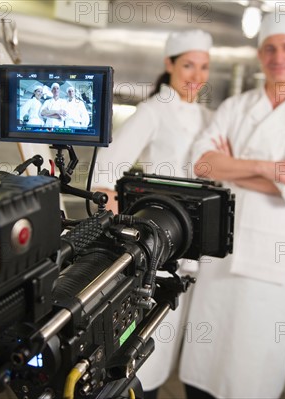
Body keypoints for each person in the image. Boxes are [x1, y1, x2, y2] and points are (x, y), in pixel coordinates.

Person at [178, 13, 285, 399]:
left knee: (254, 361)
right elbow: (198, 164)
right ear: (260, 53)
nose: (278, 56)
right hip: (220, 250)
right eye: (270, 48)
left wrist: (229, 170)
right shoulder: (236, 106)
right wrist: (270, 168)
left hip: (272, 255)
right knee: (206, 353)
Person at [93, 29, 213, 399]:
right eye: (188, 65)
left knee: (171, 333)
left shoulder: (209, 116)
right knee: (147, 338)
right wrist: (116, 217)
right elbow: (106, 169)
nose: (196, 76)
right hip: (159, 239)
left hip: (193, 242)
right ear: (170, 65)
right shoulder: (154, 109)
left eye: (204, 67)